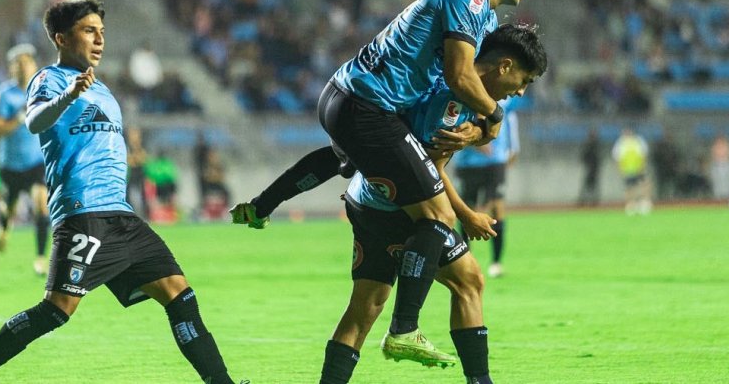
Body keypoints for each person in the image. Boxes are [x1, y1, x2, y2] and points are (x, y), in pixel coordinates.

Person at [0, 0, 242, 384]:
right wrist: (69, 96)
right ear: (62, 38)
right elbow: (34, 122)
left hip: (122, 216)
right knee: (56, 310)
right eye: (89, 31)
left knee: (179, 294)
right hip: (83, 212)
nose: (99, 40)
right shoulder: (48, 80)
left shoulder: (103, 91)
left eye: (102, 32)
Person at [232, 24, 547, 382]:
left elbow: (346, 158)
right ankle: (413, 335)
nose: (520, 90)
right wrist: (467, 214)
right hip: (398, 204)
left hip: (367, 198)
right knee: (469, 280)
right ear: (504, 66)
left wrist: (263, 205)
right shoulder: (451, 98)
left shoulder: (442, 81)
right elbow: (426, 172)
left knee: (365, 306)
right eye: (525, 79)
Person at [316, 0, 541, 364]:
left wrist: (478, 126)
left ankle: (414, 337)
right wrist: (493, 118)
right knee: (437, 216)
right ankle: (405, 329)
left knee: (454, 283)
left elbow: (459, 84)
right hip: (365, 105)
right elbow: (460, 78)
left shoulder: (484, 20)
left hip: (365, 114)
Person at [0, 43, 51, 274]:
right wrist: (18, 118)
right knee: (10, 207)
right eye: (18, 63)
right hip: (11, 164)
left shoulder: (43, 91)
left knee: (40, 204)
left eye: (26, 62)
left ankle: (40, 258)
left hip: (37, 162)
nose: (22, 67)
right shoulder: (3, 94)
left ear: (34, 65)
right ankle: (4, 226)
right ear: (11, 68)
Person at [452, 97, 520, 278]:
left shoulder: (505, 101)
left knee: (497, 207)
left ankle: (496, 263)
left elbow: (511, 121)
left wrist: (514, 149)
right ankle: (465, 260)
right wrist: (475, 141)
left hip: (495, 162)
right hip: (467, 163)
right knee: (467, 210)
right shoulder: (465, 94)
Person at [611, 128, 652, 215]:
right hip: (627, 169)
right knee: (629, 187)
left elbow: (643, 154)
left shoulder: (638, 141)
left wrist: (642, 166)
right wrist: (620, 169)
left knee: (643, 184)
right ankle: (630, 205)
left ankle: (644, 203)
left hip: (639, 168)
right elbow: (617, 157)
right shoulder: (620, 143)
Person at [577, 128, 601, 206]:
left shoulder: (595, 144)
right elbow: (585, 155)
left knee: (591, 185)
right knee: (588, 185)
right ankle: (584, 201)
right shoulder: (590, 144)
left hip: (593, 168)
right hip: (590, 167)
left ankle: (589, 201)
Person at [709, 133, 729, 200]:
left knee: (728, 184)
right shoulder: (714, 146)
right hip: (716, 166)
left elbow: (728, 154)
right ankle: (718, 200)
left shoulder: (726, 145)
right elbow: (713, 155)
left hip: (726, 166)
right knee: (717, 186)